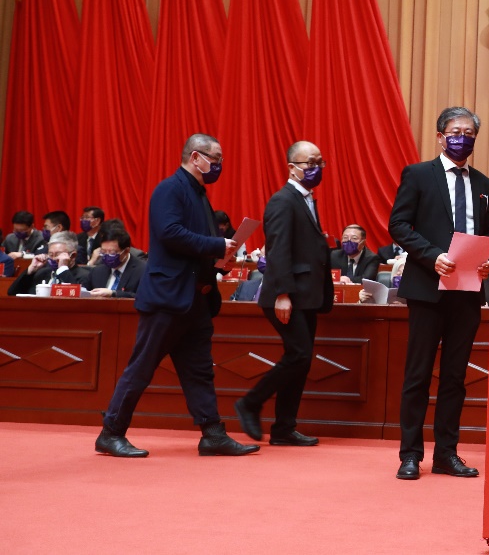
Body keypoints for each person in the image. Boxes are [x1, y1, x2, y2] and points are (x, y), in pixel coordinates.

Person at [96, 133, 258, 458]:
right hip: (168, 298)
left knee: (200, 370)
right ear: (195, 157)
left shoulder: (199, 194)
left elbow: (195, 245)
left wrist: (221, 259)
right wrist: (216, 245)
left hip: (195, 299)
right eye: (216, 159)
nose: (219, 165)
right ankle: (110, 433)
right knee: (142, 367)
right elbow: (170, 234)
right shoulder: (169, 189)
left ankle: (212, 434)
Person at [390, 107, 489, 480]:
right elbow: (399, 224)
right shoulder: (419, 174)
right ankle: (410, 454)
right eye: (455, 131)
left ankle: (446, 454)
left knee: (454, 377)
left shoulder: (483, 183)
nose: (461, 138)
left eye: (469, 133)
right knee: (418, 375)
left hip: (467, 292)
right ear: (440, 136)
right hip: (427, 288)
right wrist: (432, 255)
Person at [235, 141, 333, 448]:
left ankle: (284, 428)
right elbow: (278, 250)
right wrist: (282, 294)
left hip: (307, 294)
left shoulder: (307, 199)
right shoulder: (282, 200)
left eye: (320, 163)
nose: (316, 168)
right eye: (309, 163)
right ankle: (250, 403)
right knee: (299, 355)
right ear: (291, 168)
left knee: (301, 360)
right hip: (287, 294)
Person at [7, 231, 86, 295]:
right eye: (50, 254)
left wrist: (63, 269)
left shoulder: (83, 276)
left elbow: (77, 299)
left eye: (58, 254)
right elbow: (12, 293)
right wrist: (30, 271)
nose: (53, 258)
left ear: (73, 256)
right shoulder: (42, 273)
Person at [85, 225, 145, 298]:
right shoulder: (97, 271)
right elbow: (84, 294)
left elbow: (143, 297)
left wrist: (113, 293)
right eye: (103, 252)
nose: (107, 256)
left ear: (126, 251)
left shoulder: (142, 271)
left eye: (112, 253)